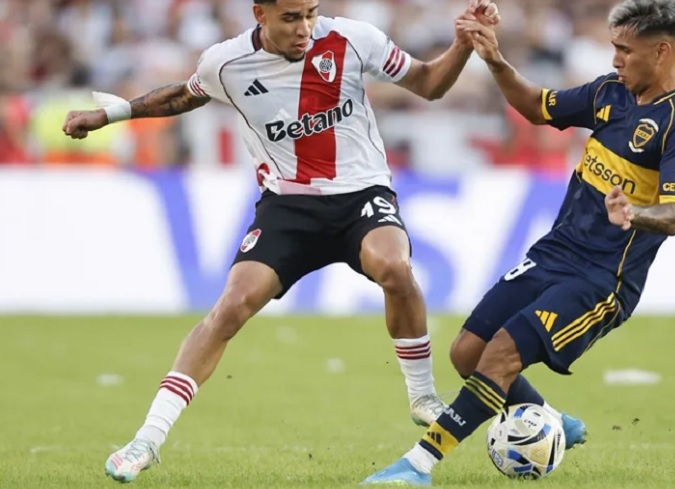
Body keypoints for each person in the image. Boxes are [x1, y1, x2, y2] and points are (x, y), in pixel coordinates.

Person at [62, 0, 500, 483]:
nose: (305, 28)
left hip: (361, 193)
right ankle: (147, 437)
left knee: (394, 267)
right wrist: (109, 115)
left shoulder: (356, 39)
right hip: (288, 207)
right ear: (260, 15)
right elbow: (181, 97)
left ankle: (421, 397)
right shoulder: (225, 63)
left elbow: (429, 84)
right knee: (230, 306)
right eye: (291, 17)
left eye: (311, 13)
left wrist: (462, 45)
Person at [363, 0, 675, 485]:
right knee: (466, 352)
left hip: (602, 278)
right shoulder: (612, 92)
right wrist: (494, 59)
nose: (614, 60)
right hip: (555, 251)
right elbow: (537, 107)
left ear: (662, 51)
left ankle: (418, 465)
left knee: (501, 354)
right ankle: (555, 420)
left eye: (624, 50)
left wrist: (635, 214)